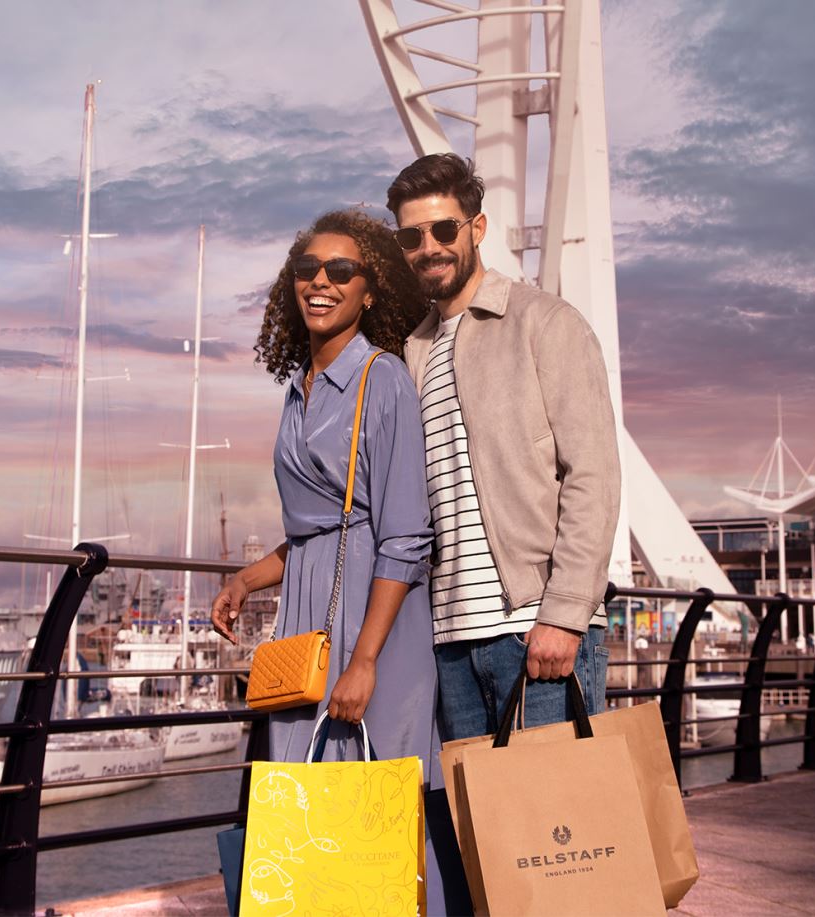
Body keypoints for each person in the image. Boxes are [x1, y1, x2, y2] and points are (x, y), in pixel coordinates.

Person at [210, 210, 457, 913]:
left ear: (370, 291)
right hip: (305, 622)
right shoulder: (298, 388)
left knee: (379, 806)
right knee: (308, 800)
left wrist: (367, 659)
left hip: (374, 623)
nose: (322, 282)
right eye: (309, 269)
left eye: (341, 271)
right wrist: (248, 577)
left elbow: (405, 533)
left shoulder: (383, 382)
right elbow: (322, 527)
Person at [387, 153, 622, 741]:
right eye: (412, 236)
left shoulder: (545, 323)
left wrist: (565, 616)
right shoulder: (413, 352)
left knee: (560, 826)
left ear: (477, 228)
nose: (429, 247)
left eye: (444, 229)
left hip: (535, 632)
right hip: (448, 645)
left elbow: (593, 474)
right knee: (480, 833)